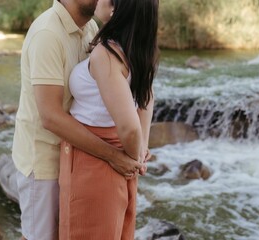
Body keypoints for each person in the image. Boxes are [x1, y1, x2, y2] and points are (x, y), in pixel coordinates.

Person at [12, 0, 143, 239]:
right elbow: (50, 117)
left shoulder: (91, 28)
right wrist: (114, 156)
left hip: (76, 158)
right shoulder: (47, 34)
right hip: (44, 163)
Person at [59, 0, 159, 239]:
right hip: (117, 155)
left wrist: (134, 155)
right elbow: (146, 98)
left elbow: (129, 128)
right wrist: (141, 149)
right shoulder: (135, 47)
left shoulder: (107, 54)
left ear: (116, 8)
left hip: (96, 160)